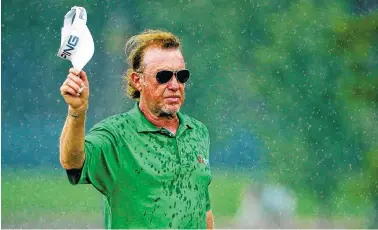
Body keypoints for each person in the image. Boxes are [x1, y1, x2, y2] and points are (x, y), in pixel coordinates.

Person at [59, 29, 214, 229]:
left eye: (181, 76)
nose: (175, 85)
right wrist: (77, 110)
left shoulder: (198, 131)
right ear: (137, 80)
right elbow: (72, 162)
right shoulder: (115, 134)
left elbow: (204, 210)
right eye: (164, 76)